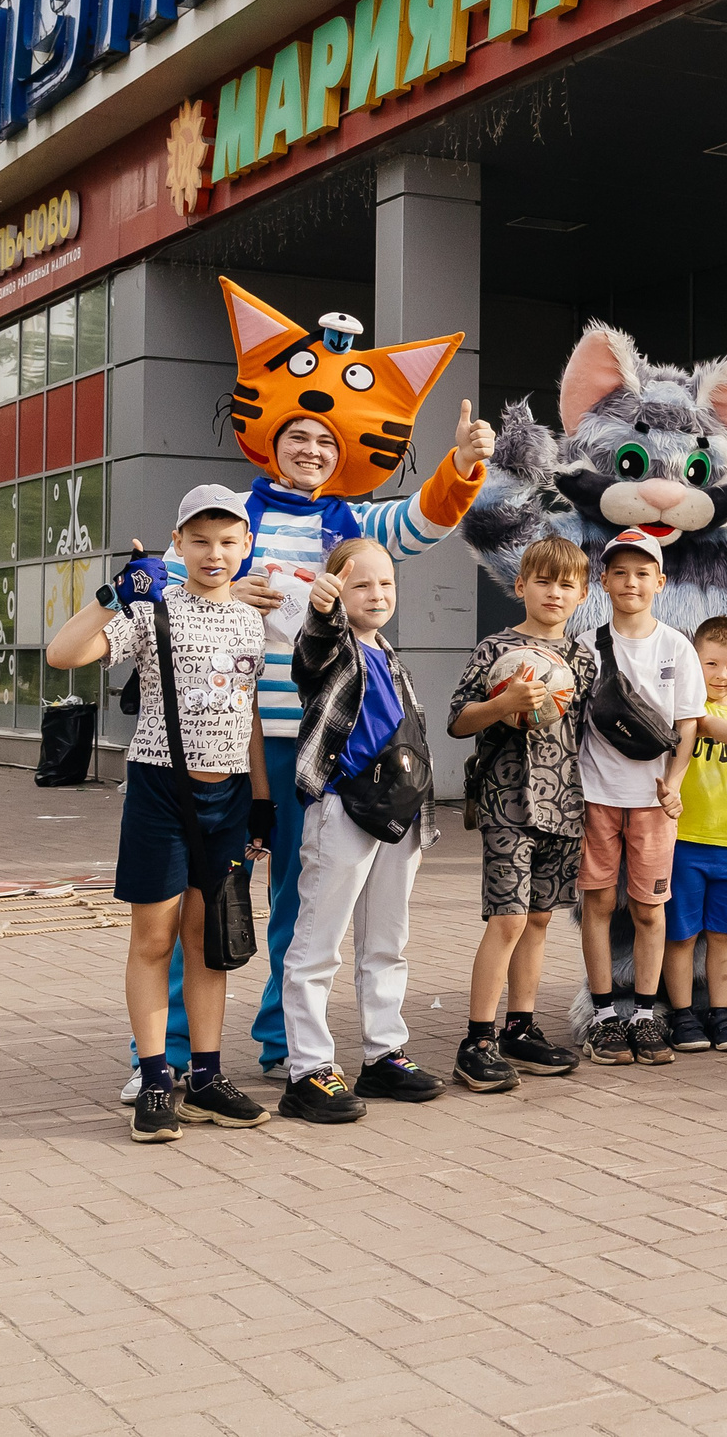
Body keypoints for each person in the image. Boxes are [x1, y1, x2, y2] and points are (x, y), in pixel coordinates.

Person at [201, 284, 493, 1086]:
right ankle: (230, 1047)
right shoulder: (232, 518)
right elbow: (177, 575)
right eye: (298, 435)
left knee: (332, 900)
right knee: (253, 894)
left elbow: (420, 525)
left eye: (325, 443)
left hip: (336, 746)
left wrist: (461, 464)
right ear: (269, 439)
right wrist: (226, 589)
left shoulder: (352, 524)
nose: (312, 450)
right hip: (249, 739)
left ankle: (320, 1043)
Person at [46, 487, 273, 1143]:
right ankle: (154, 1078)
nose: (215, 552)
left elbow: (248, 712)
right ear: (178, 543)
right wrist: (111, 594)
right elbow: (63, 654)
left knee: (210, 941)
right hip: (158, 792)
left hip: (229, 799)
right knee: (153, 938)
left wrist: (263, 800)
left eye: (228, 540)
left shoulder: (251, 623)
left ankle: (205, 1077)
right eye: (200, 539)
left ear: (245, 546)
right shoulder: (150, 611)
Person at [277, 541, 443, 1123]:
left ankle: (383, 1053)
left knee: (386, 943)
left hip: (397, 815)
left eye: (386, 584)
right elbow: (310, 655)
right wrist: (320, 613)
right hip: (343, 809)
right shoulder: (338, 647)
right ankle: (308, 1070)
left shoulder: (390, 654)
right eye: (360, 585)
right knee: (318, 945)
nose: (377, 595)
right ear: (335, 589)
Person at [448, 536, 593, 1093]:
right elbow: (459, 720)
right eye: (543, 581)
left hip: (564, 804)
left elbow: (590, 732)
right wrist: (501, 706)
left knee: (537, 920)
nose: (554, 592)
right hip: (507, 802)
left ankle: (520, 1028)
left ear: (582, 595)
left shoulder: (583, 657)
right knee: (507, 919)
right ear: (520, 586)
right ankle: (477, 1039)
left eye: (566, 584)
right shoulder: (494, 648)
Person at [576, 530, 707, 1068]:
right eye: (620, 572)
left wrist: (674, 783)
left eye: (642, 573)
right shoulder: (585, 645)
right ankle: (605, 1015)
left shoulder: (676, 645)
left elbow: (688, 725)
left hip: (654, 803)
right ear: (602, 581)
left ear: (661, 581)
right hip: (595, 794)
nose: (631, 582)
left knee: (652, 909)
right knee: (599, 904)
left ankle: (646, 1013)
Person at [659, 617, 727, 1054]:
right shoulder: (682, 712)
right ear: (693, 661)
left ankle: (721, 1013)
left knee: (725, 934)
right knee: (682, 934)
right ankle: (683, 1014)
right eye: (711, 664)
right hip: (683, 843)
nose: (721, 676)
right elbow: (697, 727)